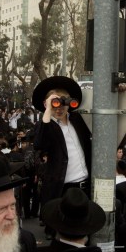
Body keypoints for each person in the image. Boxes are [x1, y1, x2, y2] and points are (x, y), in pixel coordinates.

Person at [32, 76, 91, 211]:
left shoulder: (78, 120)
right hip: (62, 190)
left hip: (85, 187)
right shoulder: (46, 126)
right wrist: (47, 110)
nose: (59, 109)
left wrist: (116, 93)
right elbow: (39, 144)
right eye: (55, 104)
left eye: (63, 103)